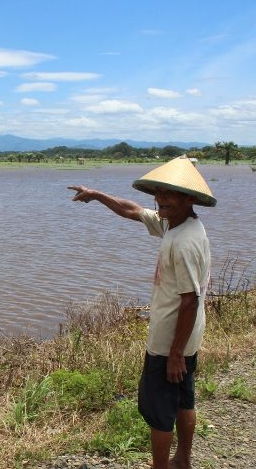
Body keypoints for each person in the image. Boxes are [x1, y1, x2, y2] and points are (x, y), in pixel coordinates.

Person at [68, 155, 216, 469]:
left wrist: (174, 352)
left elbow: (189, 300)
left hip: (170, 343)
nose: (160, 199)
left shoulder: (185, 241)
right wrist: (96, 195)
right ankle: (183, 461)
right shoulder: (175, 225)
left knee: (160, 412)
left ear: (190, 198)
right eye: (158, 192)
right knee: (183, 399)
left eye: (170, 194)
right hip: (187, 338)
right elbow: (132, 210)